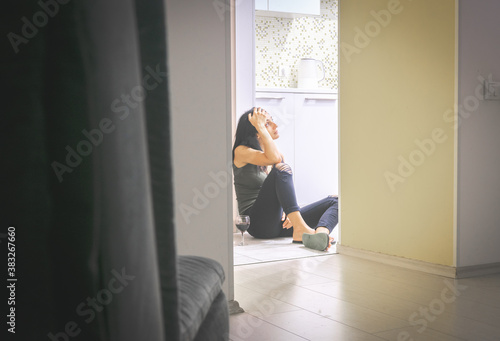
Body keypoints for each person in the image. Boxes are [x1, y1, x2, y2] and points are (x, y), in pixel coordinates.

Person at [232, 107, 338, 251]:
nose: (275, 126)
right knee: (281, 169)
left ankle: (320, 235)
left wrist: (289, 214)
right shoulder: (241, 151)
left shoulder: (276, 155)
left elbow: (281, 190)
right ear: (256, 131)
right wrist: (261, 127)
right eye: (267, 123)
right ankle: (301, 229)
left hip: (279, 223)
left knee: (336, 200)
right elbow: (275, 162)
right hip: (258, 224)